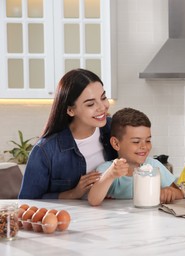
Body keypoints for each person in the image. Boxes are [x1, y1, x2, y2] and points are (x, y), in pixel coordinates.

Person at [18, 68, 117, 199]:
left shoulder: (114, 129)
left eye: (103, 97)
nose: (102, 107)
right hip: (71, 218)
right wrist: (73, 193)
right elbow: (27, 202)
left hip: (114, 214)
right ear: (70, 110)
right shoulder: (45, 151)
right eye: (91, 104)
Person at [88, 108, 183, 206]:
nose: (144, 146)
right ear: (116, 143)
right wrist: (110, 175)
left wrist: (170, 192)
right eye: (136, 142)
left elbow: (180, 193)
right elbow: (93, 200)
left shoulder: (154, 166)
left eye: (148, 140)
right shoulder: (108, 169)